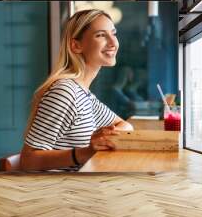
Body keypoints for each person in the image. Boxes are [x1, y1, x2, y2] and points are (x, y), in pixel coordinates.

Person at [20, 9, 133, 171]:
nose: (113, 42)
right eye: (101, 35)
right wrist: (86, 151)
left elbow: (127, 127)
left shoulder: (84, 94)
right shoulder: (65, 92)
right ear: (76, 45)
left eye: (113, 33)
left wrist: (106, 136)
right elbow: (28, 160)